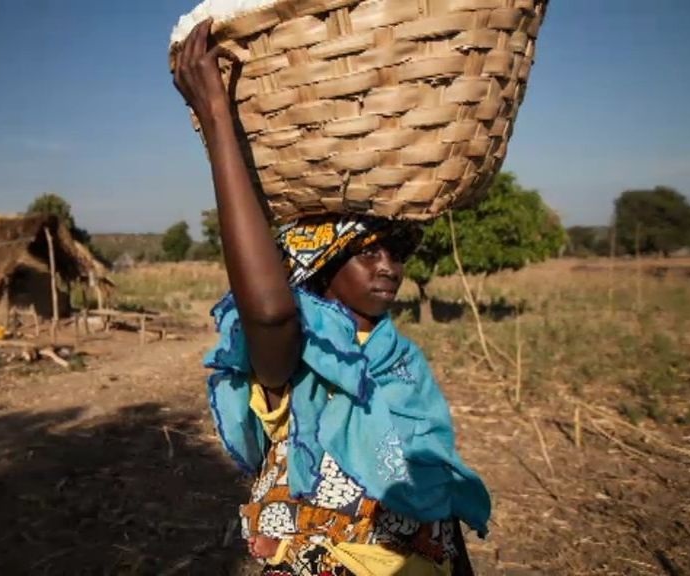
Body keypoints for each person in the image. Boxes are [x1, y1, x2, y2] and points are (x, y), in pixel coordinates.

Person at [172, 19, 491, 576]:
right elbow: (269, 312)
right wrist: (219, 118)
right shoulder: (295, 359)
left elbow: (434, 499)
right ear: (319, 268)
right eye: (366, 252)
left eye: (394, 251)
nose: (388, 266)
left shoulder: (400, 362)